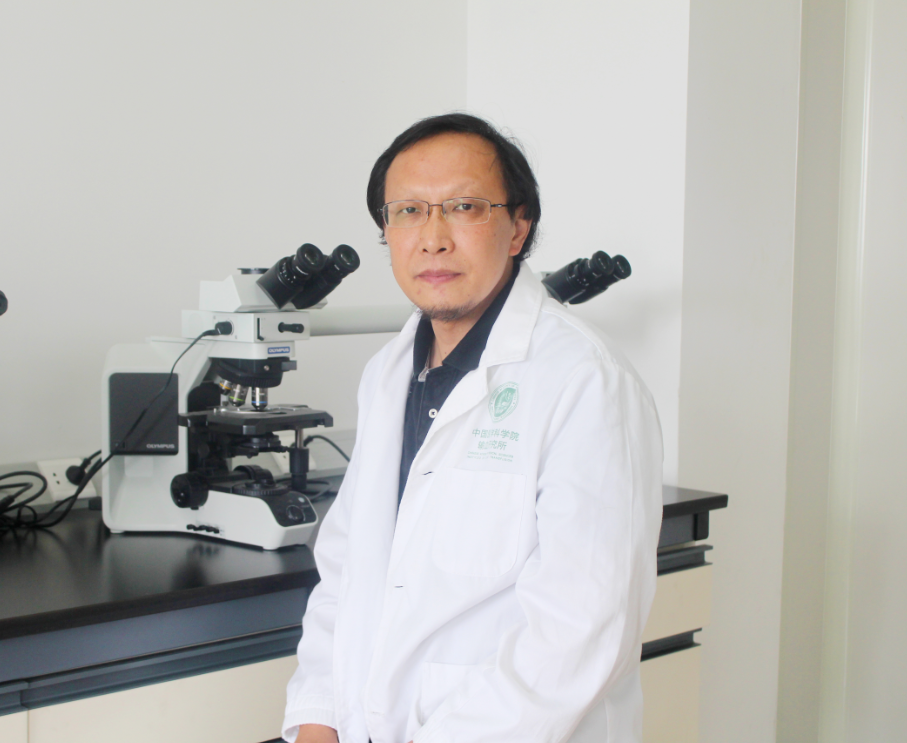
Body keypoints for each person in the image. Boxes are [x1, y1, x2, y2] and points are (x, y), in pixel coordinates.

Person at [283, 113, 663, 743]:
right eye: (408, 211)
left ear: (518, 228)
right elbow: (347, 571)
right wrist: (318, 718)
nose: (432, 239)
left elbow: (579, 631)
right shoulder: (387, 375)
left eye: (464, 207)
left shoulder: (586, 381)